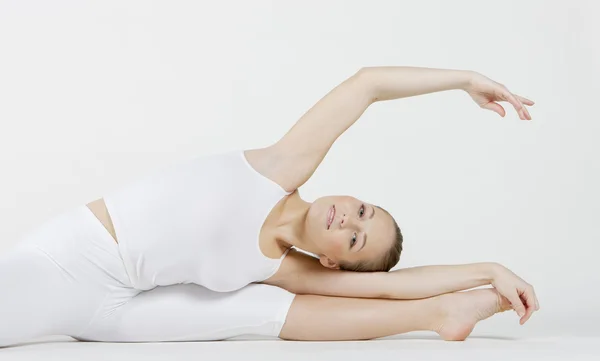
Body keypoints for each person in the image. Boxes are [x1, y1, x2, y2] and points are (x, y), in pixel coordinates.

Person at [0, 66, 538, 348]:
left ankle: (441, 313)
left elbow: (389, 282)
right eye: (364, 211)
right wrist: (464, 79)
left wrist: (487, 270)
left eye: (353, 240)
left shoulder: (284, 270)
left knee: (265, 314)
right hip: (69, 267)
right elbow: (368, 84)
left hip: (116, 313)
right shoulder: (278, 168)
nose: (348, 219)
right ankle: (441, 312)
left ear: (332, 260)